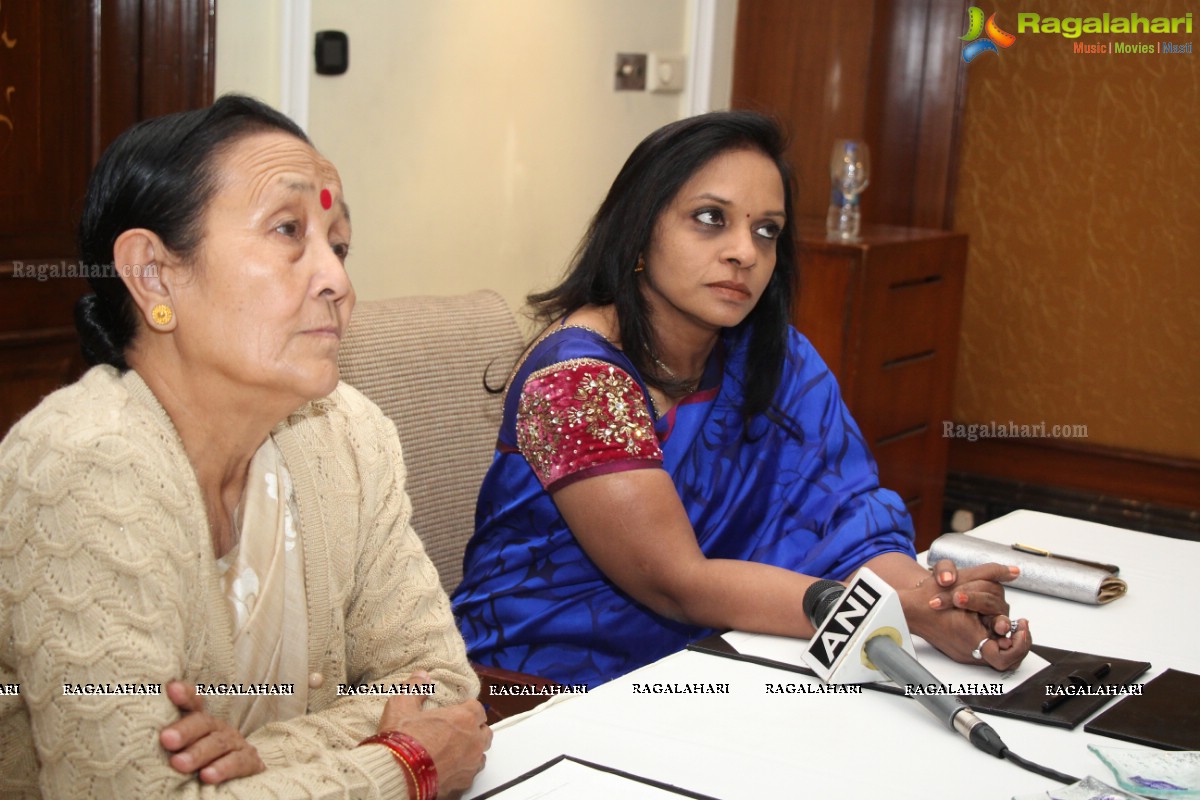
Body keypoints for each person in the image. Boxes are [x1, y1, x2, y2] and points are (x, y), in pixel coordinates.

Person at [0, 95, 490, 798]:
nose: (339, 283)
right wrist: (402, 762)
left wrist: (262, 757)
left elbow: (439, 686)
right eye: (289, 230)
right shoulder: (84, 463)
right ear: (153, 274)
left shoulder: (346, 432)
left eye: (339, 245)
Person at [452, 111, 1031, 689]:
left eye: (766, 231)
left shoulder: (774, 359)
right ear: (639, 229)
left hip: (722, 655)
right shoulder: (576, 380)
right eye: (710, 219)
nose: (744, 253)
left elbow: (846, 520)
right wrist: (876, 611)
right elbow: (679, 584)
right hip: (543, 684)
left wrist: (926, 601)